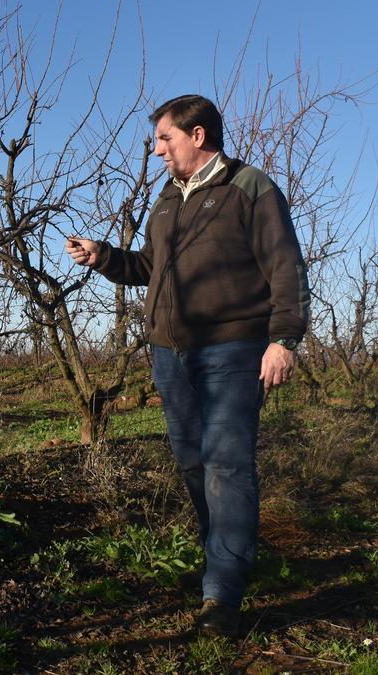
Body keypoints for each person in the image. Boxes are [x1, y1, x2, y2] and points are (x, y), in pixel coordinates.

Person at [66, 94, 309, 637]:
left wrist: (284, 338)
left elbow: (285, 263)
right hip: (170, 354)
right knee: (194, 465)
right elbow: (147, 268)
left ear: (197, 136)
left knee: (227, 465)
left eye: (164, 138)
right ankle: (219, 566)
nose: (156, 150)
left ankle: (222, 595)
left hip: (233, 349)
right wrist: (103, 255)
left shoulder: (250, 188)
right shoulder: (167, 201)